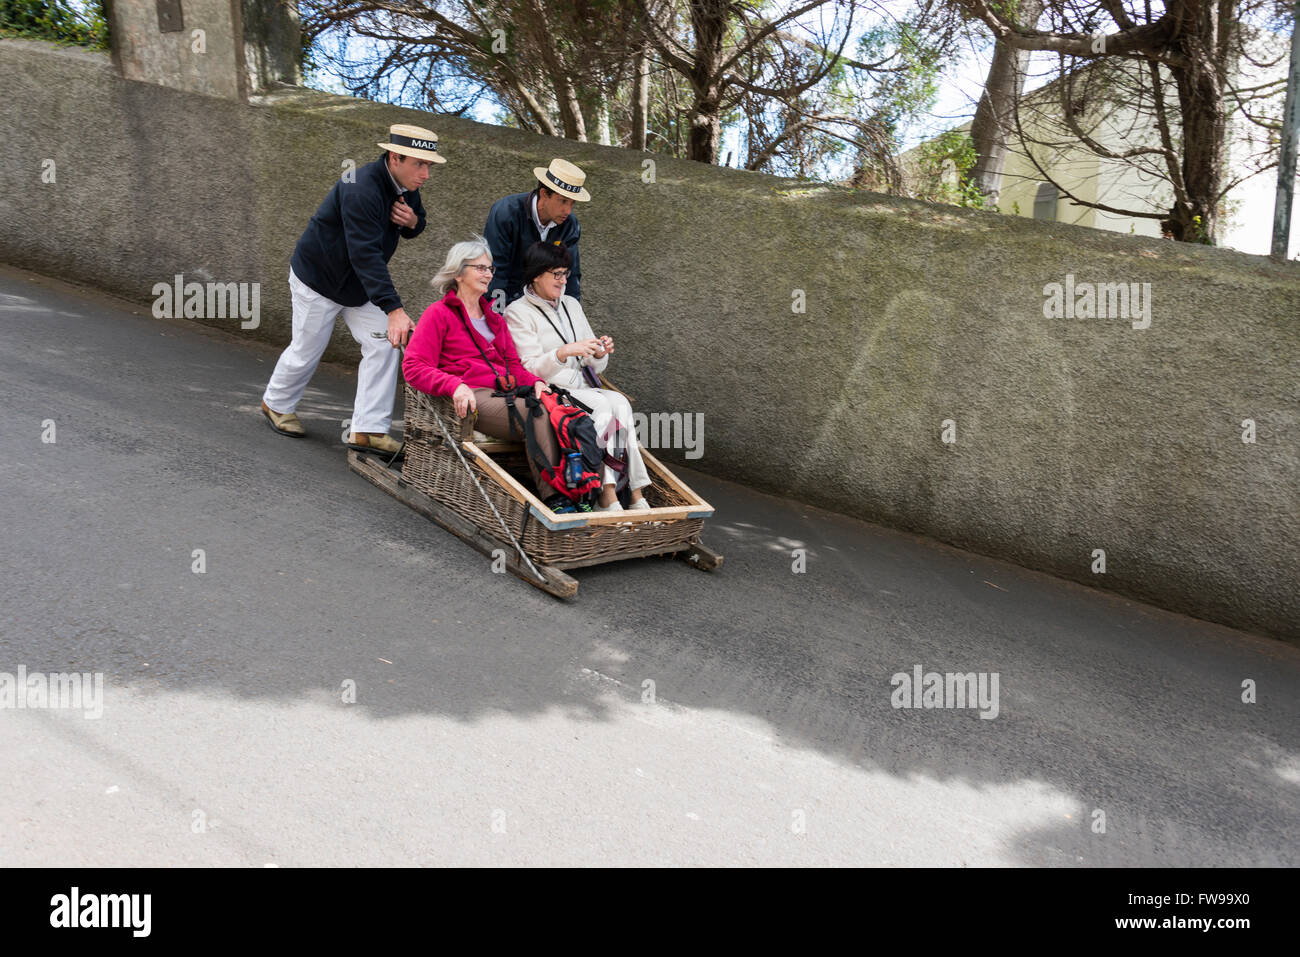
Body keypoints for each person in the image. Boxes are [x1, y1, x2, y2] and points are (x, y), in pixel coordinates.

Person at [260, 123, 444, 455]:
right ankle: (275, 403)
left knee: (386, 343)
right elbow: (365, 254)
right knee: (307, 348)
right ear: (394, 157)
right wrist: (395, 310)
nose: (426, 174)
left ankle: (368, 430)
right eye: (420, 164)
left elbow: (417, 220)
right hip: (318, 280)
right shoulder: (359, 186)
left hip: (359, 287)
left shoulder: (406, 184)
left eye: (429, 165)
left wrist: (413, 223)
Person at [402, 237, 567, 503]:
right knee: (537, 413)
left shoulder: (495, 319)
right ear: (458, 273)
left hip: (506, 394)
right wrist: (454, 385)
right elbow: (413, 367)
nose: (488, 274)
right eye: (480, 268)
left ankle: (584, 492)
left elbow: (514, 366)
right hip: (473, 397)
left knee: (562, 410)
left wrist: (536, 381)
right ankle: (556, 500)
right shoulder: (438, 314)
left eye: (490, 269)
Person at [504, 242, 652, 511]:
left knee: (620, 402)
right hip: (551, 393)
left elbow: (594, 365)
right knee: (604, 408)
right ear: (537, 274)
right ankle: (606, 494)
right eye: (556, 274)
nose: (562, 281)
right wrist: (561, 353)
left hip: (585, 387)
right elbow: (528, 368)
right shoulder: (517, 312)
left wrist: (598, 352)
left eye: (565, 274)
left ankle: (636, 493)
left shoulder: (571, 304)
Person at [483, 158, 588, 306]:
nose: (568, 210)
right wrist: (496, 317)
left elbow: (571, 277)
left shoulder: (569, 224)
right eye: (563, 201)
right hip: (506, 305)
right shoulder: (506, 213)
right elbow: (495, 272)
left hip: (544, 310)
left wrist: (572, 316)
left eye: (572, 203)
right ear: (544, 193)